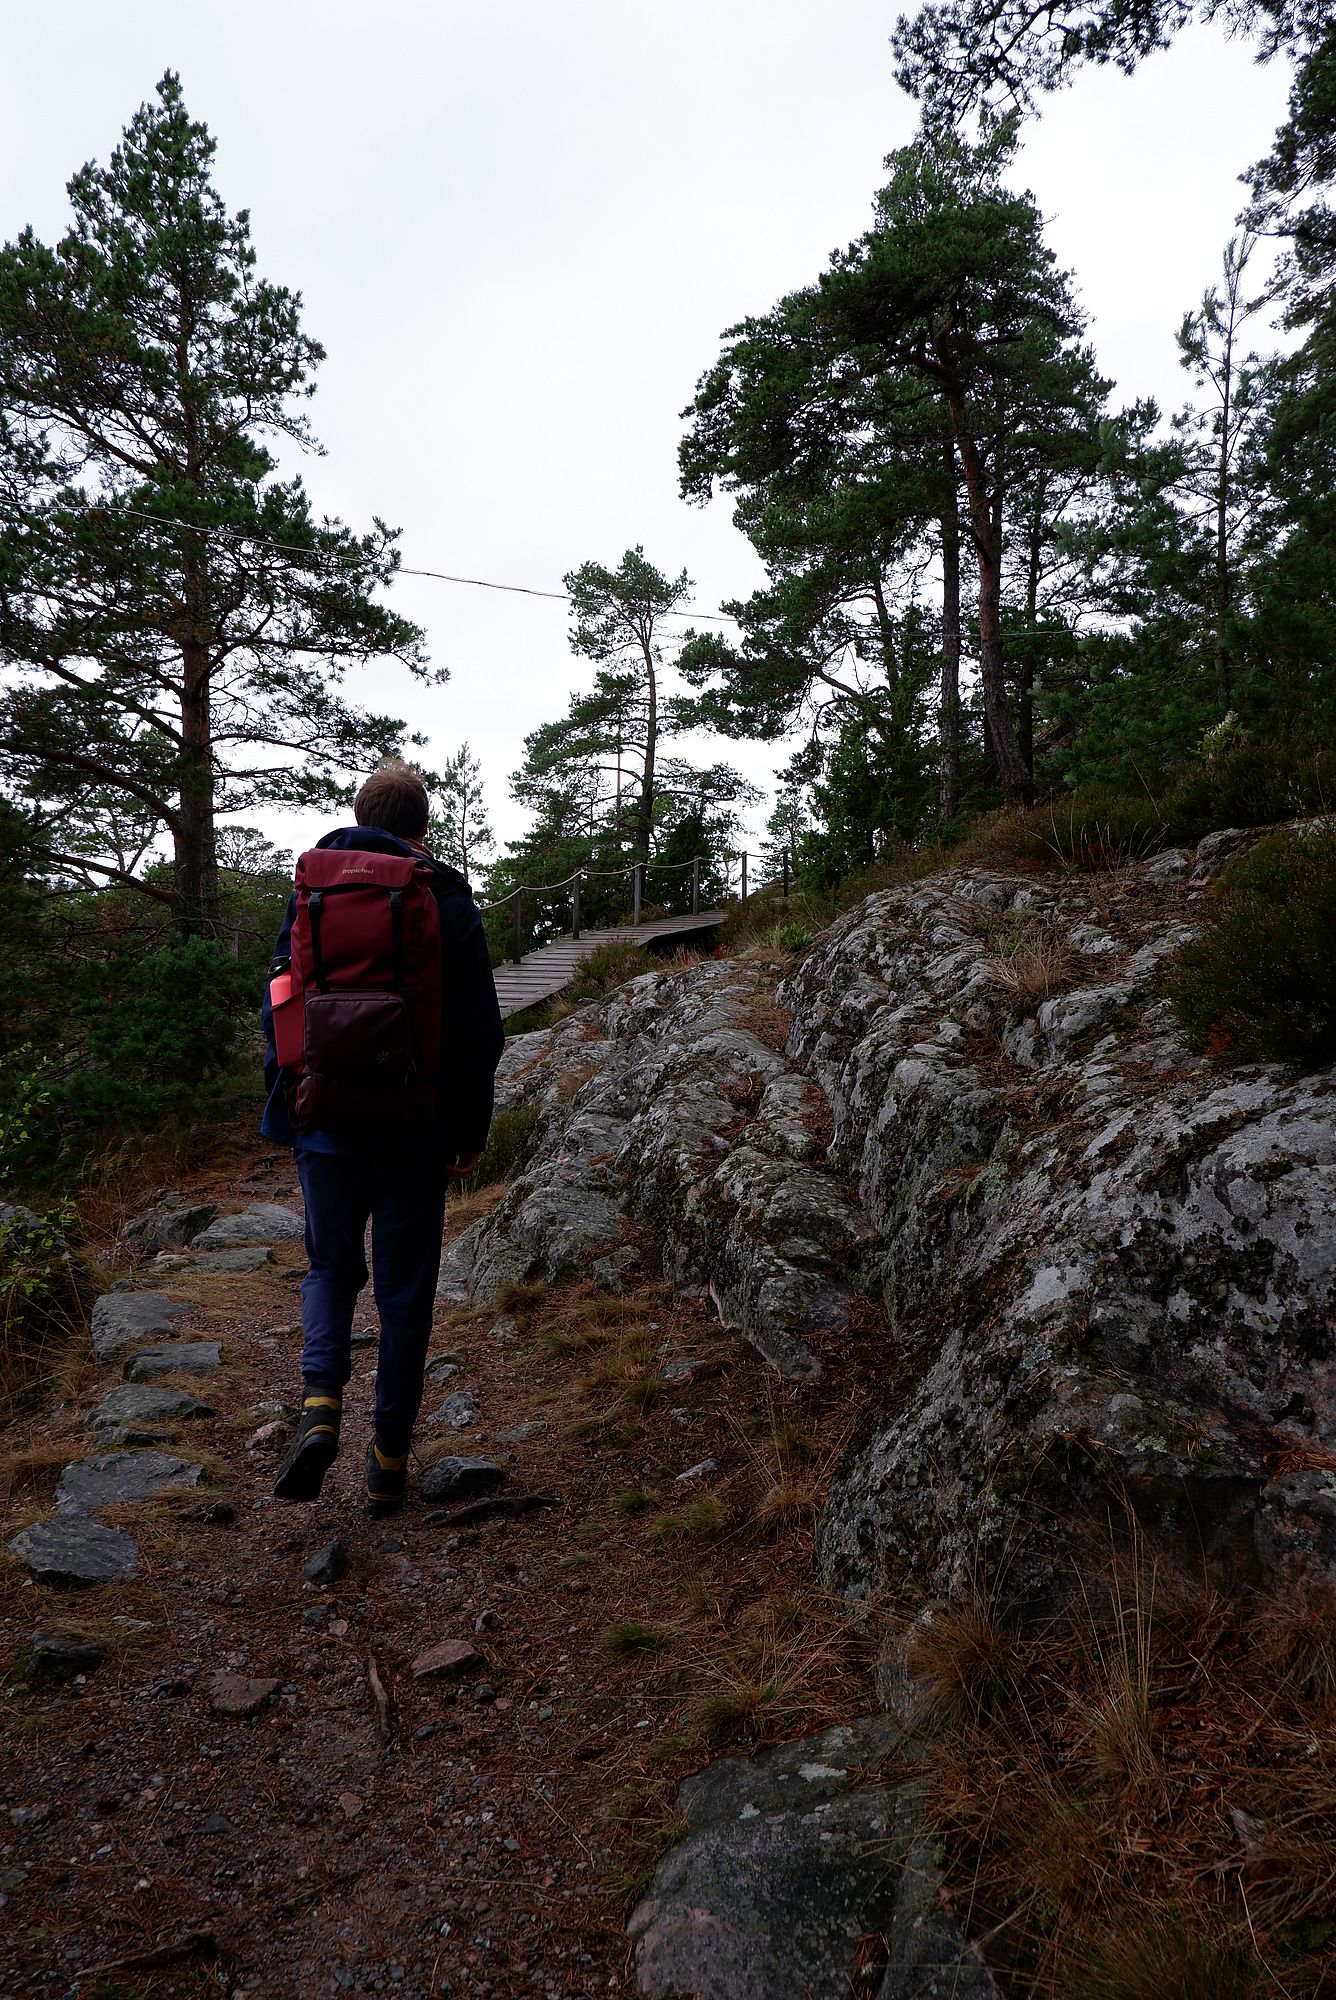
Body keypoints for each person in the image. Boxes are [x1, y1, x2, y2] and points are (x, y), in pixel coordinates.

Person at [261, 758, 504, 1515]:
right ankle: (388, 1460)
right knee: (405, 1295)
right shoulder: (445, 900)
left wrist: (290, 1099)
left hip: (325, 1119)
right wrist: (467, 1131)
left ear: (361, 817)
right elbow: (480, 1035)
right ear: (422, 828)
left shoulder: (313, 891)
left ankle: (320, 1405)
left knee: (330, 1269)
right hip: (413, 1126)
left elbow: (280, 1001)